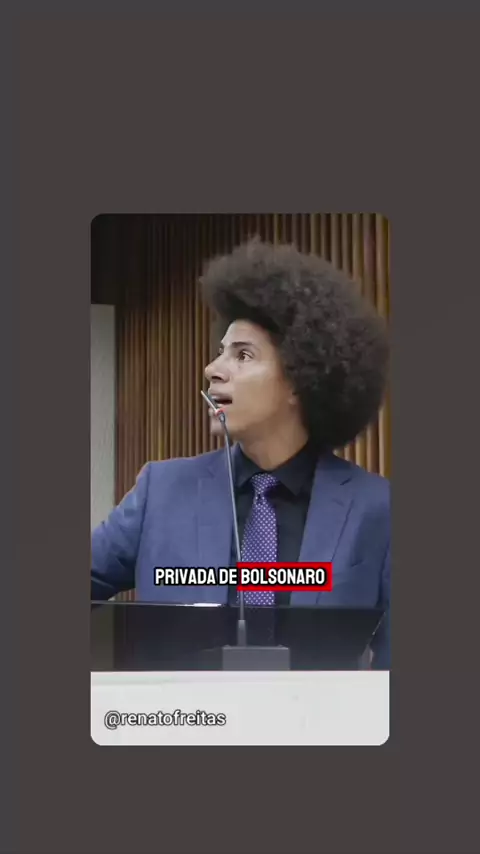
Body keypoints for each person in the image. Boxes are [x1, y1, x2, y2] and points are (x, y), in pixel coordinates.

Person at [91, 237, 390, 667]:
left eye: (243, 355)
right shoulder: (161, 490)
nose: (212, 370)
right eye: (220, 353)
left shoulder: (377, 507)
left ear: (301, 378)